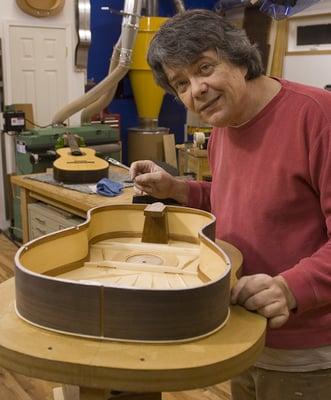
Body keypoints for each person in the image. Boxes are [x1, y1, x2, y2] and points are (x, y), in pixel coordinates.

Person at [129, 8, 331, 400]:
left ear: (239, 57)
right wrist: (177, 188)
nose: (196, 90)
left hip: (308, 353)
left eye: (205, 67)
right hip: (244, 332)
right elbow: (238, 200)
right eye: (181, 83)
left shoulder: (317, 116)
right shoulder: (223, 128)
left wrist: (292, 288)